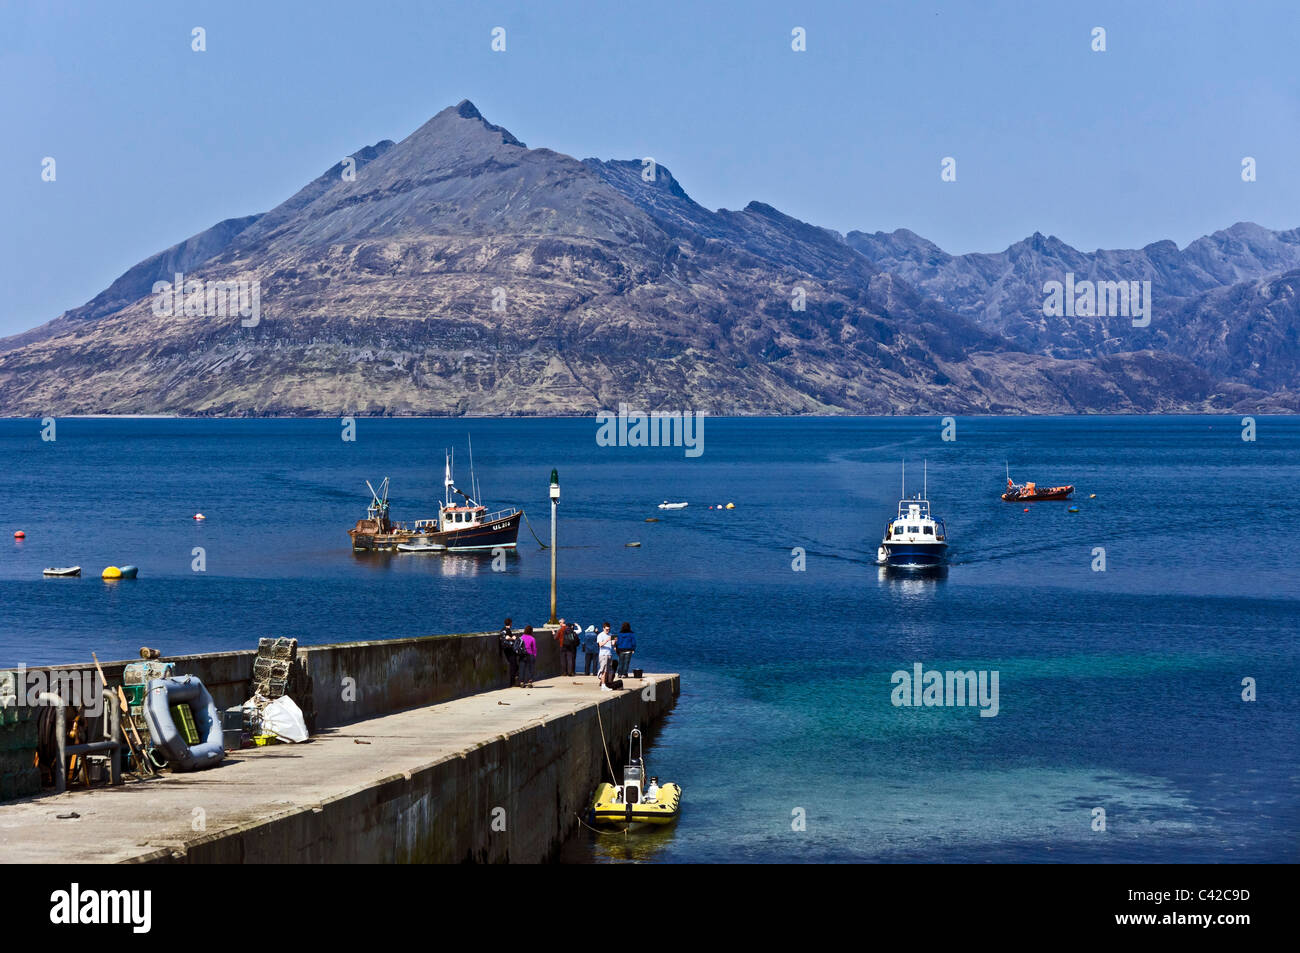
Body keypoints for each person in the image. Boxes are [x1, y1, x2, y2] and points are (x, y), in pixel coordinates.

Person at [498, 617, 520, 687]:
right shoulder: (508, 630)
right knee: (513, 665)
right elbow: (507, 637)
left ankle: (513, 681)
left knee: (513, 664)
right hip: (509, 649)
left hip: (504, 649)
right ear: (510, 623)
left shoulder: (502, 629)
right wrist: (513, 638)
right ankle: (512, 682)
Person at [597, 622, 618, 691]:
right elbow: (600, 645)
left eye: (608, 629)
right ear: (603, 628)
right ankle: (603, 686)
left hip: (609, 654)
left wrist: (614, 641)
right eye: (606, 629)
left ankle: (605, 684)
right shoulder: (600, 635)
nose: (607, 631)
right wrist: (606, 640)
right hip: (603, 655)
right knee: (603, 671)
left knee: (607, 671)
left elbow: (612, 644)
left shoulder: (610, 634)